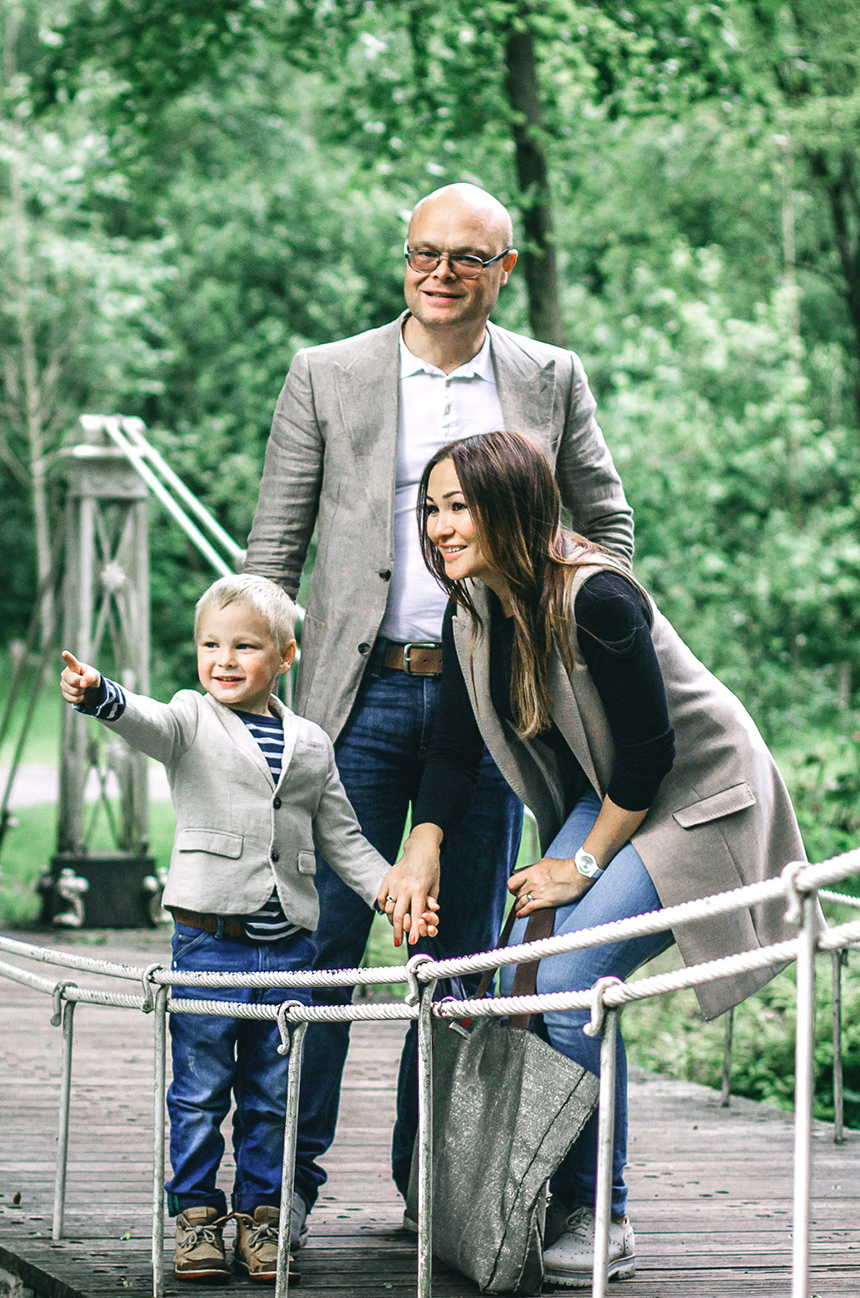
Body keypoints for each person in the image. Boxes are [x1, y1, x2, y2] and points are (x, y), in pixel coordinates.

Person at [243, 182, 635, 1216]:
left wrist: (557, 647)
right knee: (318, 939)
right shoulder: (325, 374)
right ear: (402, 257)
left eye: (467, 256)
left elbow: (607, 528)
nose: (440, 273)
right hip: (350, 701)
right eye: (423, 251)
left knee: (457, 956)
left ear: (503, 270)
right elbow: (270, 556)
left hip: (495, 711)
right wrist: (250, 713)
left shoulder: (550, 379)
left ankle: (437, 1196)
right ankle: (278, 1190)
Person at [376, 430, 809, 1287]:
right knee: (520, 977)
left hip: (692, 795)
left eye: (459, 506)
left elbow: (650, 754)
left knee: (572, 976)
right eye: (431, 508)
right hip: (611, 794)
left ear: (512, 507)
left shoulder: (598, 597)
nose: (439, 527)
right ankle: (533, 1194)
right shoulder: (474, 607)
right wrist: (421, 845)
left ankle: (600, 1216)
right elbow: (455, 752)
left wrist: (575, 869)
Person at [59, 574, 432, 1284]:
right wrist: (102, 695)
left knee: (271, 1088)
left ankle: (262, 1218)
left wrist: (392, 889)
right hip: (208, 939)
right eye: (210, 645)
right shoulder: (189, 719)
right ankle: (197, 1219)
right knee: (200, 1088)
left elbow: (344, 840)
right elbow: (146, 721)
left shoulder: (312, 744)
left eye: (244, 647)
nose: (223, 660)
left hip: (289, 945)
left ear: (286, 656)